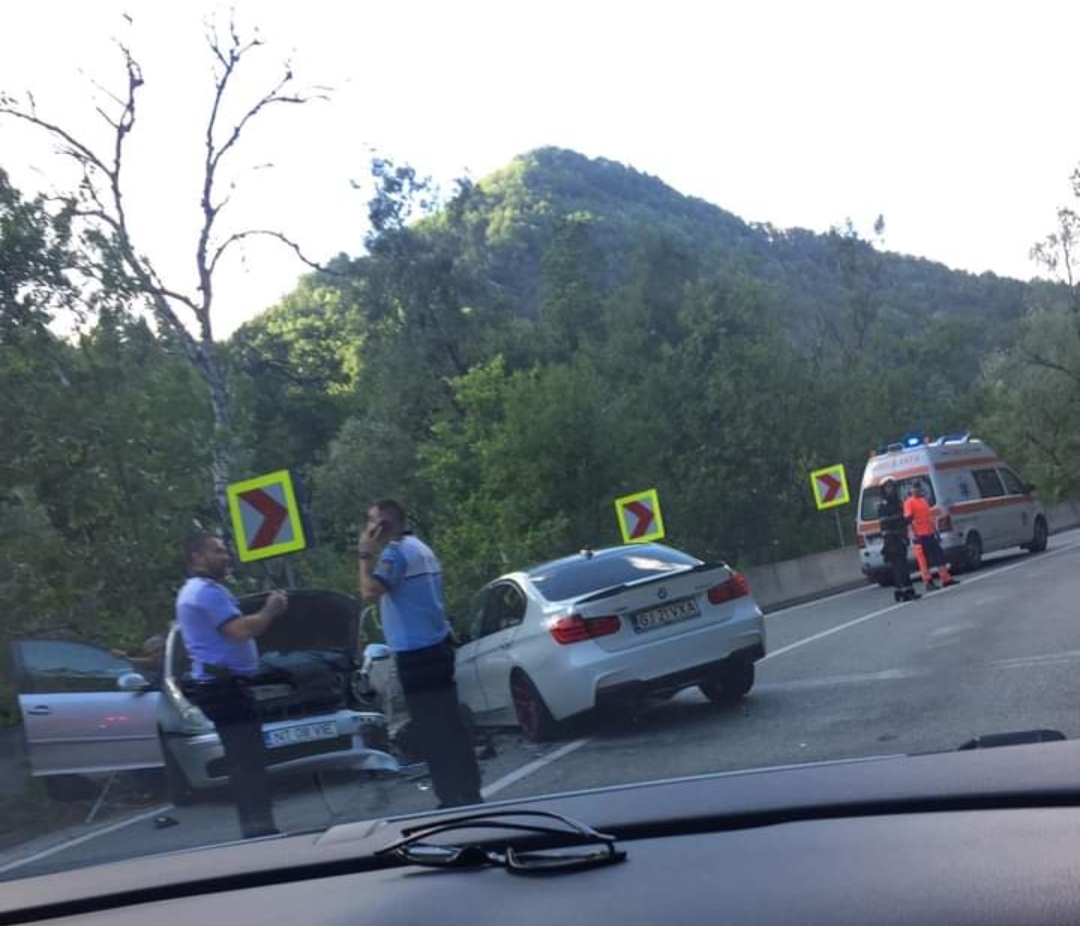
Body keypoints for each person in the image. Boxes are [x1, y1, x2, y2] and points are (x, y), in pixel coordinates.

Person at [357, 499, 482, 808]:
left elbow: (369, 591)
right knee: (451, 723)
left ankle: (450, 797)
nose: (367, 528)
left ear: (382, 526)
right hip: (437, 646)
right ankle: (469, 789)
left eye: (370, 521)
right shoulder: (421, 548)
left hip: (416, 655)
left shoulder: (395, 553)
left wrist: (364, 555)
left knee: (432, 728)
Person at [175, 531, 288, 839]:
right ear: (197, 557)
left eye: (225, 551)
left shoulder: (198, 591)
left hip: (222, 684)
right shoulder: (205, 592)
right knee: (246, 757)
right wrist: (270, 610)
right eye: (218, 551)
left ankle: (257, 821)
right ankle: (258, 826)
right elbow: (239, 631)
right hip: (224, 686)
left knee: (246, 755)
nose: (226, 557)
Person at [904, 481, 958, 590]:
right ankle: (928, 582)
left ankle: (946, 578)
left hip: (929, 532)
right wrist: (913, 534)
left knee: (938, 556)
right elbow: (908, 519)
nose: (916, 490)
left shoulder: (923, 500)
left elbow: (928, 517)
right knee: (923, 560)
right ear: (911, 490)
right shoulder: (909, 502)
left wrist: (935, 531)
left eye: (918, 487)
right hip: (919, 535)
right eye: (914, 488)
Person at [877, 478, 920, 603]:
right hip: (892, 539)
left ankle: (903, 591)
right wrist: (889, 542)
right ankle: (904, 592)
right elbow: (885, 524)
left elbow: (902, 519)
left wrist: (907, 520)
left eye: (892, 487)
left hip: (901, 537)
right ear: (884, 490)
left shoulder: (898, 502)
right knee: (899, 566)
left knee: (902, 565)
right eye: (887, 487)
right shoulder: (884, 505)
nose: (890, 489)